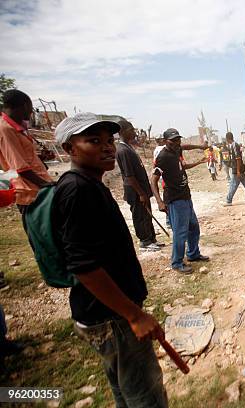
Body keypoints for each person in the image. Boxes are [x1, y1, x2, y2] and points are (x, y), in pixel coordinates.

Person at [53, 112, 167, 407]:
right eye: (94, 141)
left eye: (108, 141)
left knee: (124, 391)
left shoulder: (88, 183)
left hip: (107, 315)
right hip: (112, 319)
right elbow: (84, 266)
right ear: (69, 149)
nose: (107, 148)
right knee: (145, 396)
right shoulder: (77, 189)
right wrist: (134, 315)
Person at [151, 128, 210, 274]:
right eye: (173, 140)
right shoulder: (162, 157)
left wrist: (200, 147)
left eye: (178, 140)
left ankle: (193, 254)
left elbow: (185, 147)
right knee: (180, 232)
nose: (177, 143)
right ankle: (177, 262)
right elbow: (153, 181)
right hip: (175, 199)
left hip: (185, 196)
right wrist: (159, 202)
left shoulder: (176, 150)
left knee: (194, 227)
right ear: (165, 141)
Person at [0, 90, 53, 214]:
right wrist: (48, 186)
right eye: (31, 107)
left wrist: (40, 158)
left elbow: (23, 157)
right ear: (25, 106)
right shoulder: (5, 129)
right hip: (30, 193)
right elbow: (19, 167)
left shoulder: (15, 127)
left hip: (36, 189)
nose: (31, 111)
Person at [116, 119, 161, 251]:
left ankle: (152, 238)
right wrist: (141, 193)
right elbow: (129, 176)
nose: (134, 132)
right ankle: (145, 241)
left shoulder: (128, 147)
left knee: (147, 214)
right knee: (140, 215)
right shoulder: (122, 150)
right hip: (135, 191)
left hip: (142, 189)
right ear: (122, 132)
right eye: (131, 130)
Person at [224, 132, 245, 206]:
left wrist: (238, 170)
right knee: (244, 182)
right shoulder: (233, 145)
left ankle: (229, 200)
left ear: (228, 139)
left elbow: (238, 158)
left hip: (237, 168)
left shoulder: (235, 145)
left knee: (233, 184)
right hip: (239, 167)